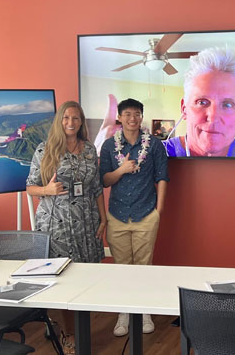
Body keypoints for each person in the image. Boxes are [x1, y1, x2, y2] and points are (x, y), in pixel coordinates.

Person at [26, 101, 106, 354]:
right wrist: (47, 190)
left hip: (86, 222)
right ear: (59, 121)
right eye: (66, 118)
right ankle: (69, 332)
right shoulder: (45, 149)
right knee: (63, 278)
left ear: (81, 122)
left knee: (85, 276)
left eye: (76, 118)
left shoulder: (90, 150)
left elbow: (96, 189)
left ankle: (74, 323)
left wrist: (103, 219)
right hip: (56, 226)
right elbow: (30, 187)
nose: (71, 123)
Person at [99, 98, 169, 337]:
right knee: (122, 268)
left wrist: (158, 211)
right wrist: (121, 170)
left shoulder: (154, 145)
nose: (132, 118)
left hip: (146, 213)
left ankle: (145, 312)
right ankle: (123, 313)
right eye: (127, 113)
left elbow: (162, 177)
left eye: (137, 114)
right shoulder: (109, 146)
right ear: (119, 117)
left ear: (141, 117)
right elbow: (104, 180)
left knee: (143, 267)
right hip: (117, 214)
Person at [164, 46, 235, 157]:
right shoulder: (150, 158)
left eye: (227, 105)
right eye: (202, 102)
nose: (213, 117)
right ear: (184, 109)